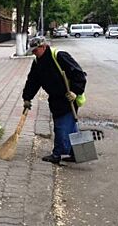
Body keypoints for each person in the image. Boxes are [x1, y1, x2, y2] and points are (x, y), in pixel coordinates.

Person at [22, 36, 86, 164]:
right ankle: (80, 153)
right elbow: (33, 81)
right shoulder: (37, 63)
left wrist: (75, 91)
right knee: (71, 126)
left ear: (44, 47)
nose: (34, 53)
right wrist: (27, 98)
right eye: (33, 51)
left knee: (61, 126)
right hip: (55, 98)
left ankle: (57, 155)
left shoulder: (60, 56)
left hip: (68, 97)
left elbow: (79, 74)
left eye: (36, 50)